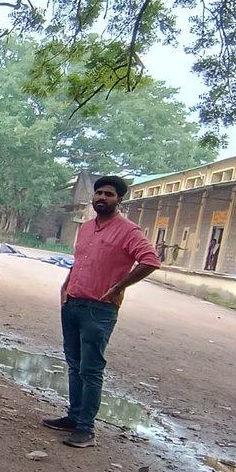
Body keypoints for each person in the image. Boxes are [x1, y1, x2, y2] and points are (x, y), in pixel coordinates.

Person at [43, 176, 160, 447]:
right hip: (72, 303)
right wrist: (66, 285)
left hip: (100, 309)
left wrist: (120, 285)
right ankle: (73, 416)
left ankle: (86, 428)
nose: (102, 198)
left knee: (91, 369)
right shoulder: (85, 228)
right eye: (98, 193)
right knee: (74, 364)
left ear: (120, 199)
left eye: (109, 194)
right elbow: (81, 260)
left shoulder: (129, 231)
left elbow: (150, 260)